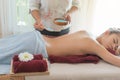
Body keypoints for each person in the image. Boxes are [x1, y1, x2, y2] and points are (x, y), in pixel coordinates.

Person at [0, 28, 120, 74]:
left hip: (36, 38)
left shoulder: (87, 32)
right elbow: (115, 60)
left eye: (117, 48)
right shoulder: (95, 45)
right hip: (36, 46)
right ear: (107, 32)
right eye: (115, 41)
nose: (114, 47)